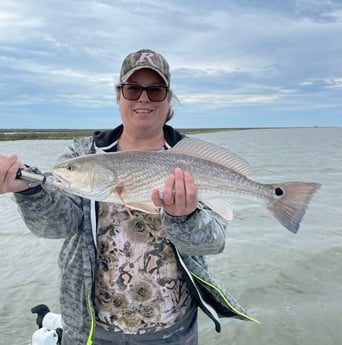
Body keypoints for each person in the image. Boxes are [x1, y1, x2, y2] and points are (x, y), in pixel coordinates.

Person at [0, 49, 256, 345]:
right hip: (92, 330)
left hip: (173, 330)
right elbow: (56, 226)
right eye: (133, 89)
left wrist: (185, 217)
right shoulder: (83, 154)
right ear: (119, 96)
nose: (143, 98)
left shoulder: (191, 159)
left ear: (168, 98)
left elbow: (213, 243)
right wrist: (29, 189)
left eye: (155, 90)